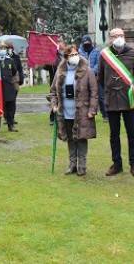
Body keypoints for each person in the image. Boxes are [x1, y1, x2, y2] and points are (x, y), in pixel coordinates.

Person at [98, 28, 134, 177]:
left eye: (121, 35)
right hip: (111, 100)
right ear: (110, 39)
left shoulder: (133, 53)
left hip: (128, 99)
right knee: (114, 135)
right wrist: (110, 89)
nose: (118, 38)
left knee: (132, 134)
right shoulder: (104, 55)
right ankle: (116, 164)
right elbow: (101, 77)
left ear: (124, 37)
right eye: (115, 36)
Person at [50, 45, 98, 176]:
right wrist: (54, 105)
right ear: (66, 58)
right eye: (71, 55)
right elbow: (53, 92)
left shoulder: (87, 71)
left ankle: (82, 166)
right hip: (65, 112)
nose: (75, 57)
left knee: (81, 138)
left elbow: (94, 92)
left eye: (76, 54)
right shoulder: (60, 72)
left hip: (83, 111)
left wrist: (92, 109)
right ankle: (72, 165)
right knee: (70, 138)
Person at [0, 42, 19, 132]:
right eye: (0, 48)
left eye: (4, 48)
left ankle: (11, 125)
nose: (2, 50)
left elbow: (14, 72)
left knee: (10, 108)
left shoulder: (10, 60)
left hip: (9, 87)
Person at [79, 35, 105, 119]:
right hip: (83, 77)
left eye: (88, 43)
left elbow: (98, 63)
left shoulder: (97, 51)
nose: (86, 45)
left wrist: (92, 72)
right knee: (85, 96)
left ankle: (105, 115)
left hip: (96, 76)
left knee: (100, 96)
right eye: (85, 43)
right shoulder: (79, 52)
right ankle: (88, 113)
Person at [45, 38, 66, 125]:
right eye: (57, 42)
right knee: (54, 99)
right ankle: (52, 117)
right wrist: (53, 55)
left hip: (65, 81)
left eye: (60, 42)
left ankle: (63, 117)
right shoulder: (52, 55)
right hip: (54, 81)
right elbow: (46, 66)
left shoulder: (66, 54)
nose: (59, 44)